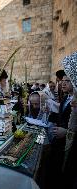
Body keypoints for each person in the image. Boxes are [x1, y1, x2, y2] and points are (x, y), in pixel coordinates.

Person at [61, 51, 77, 189]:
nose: (63, 84)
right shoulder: (67, 98)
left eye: (69, 80)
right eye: (63, 81)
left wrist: (65, 131)